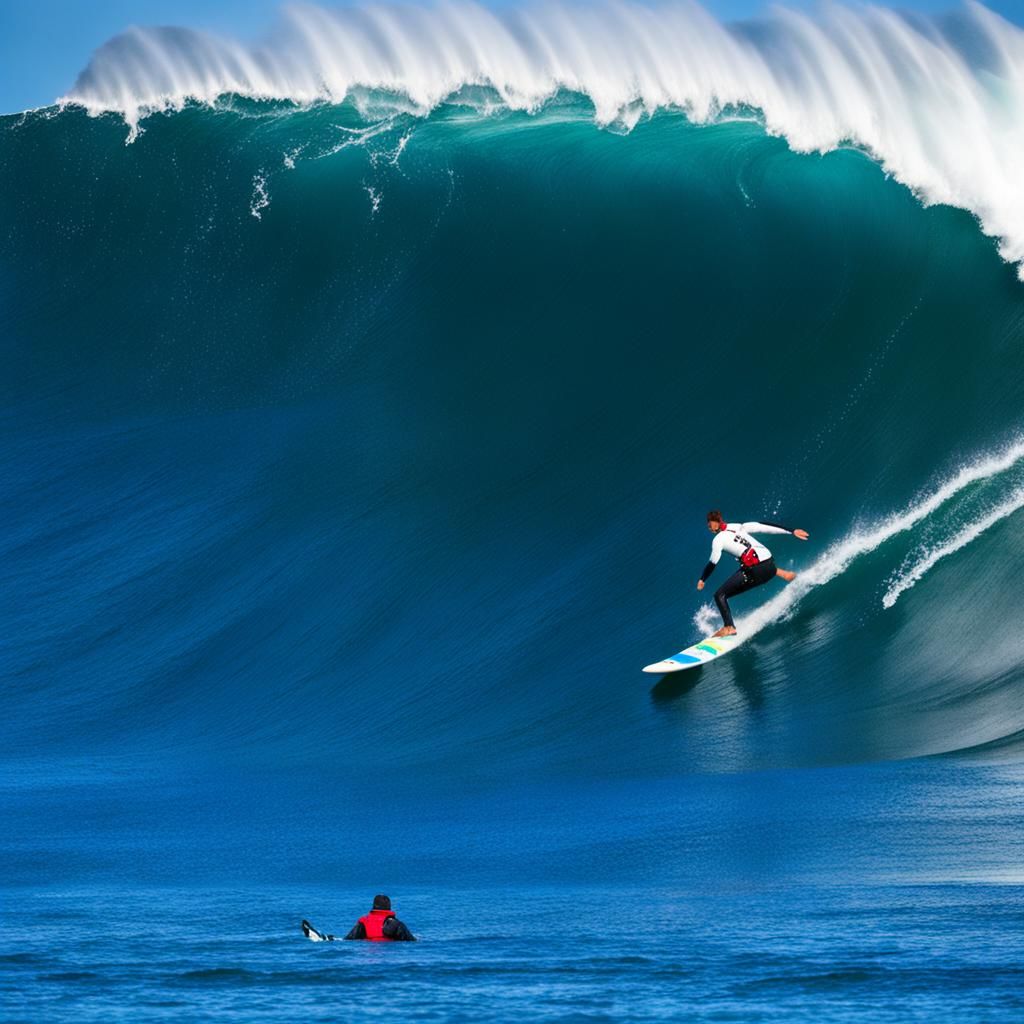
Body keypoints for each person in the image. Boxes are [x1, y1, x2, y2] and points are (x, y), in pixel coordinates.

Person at [697, 510, 809, 637]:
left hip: (756, 571)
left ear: (715, 523)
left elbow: (713, 562)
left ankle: (729, 627)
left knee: (720, 595)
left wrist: (702, 579)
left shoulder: (718, 540)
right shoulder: (739, 526)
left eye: (709, 523)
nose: (708, 526)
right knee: (749, 561)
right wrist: (791, 531)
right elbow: (763, 526)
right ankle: (782, 573)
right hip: (769, 564)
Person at [301, 894, 416, 943]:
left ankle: (324, 939)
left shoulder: (364, 921)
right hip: (388, 949)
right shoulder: (396, 924)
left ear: (374, 907)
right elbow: (410, 941)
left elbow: (350, 939)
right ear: (389, 907)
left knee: (341, 940)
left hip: (365, 946)